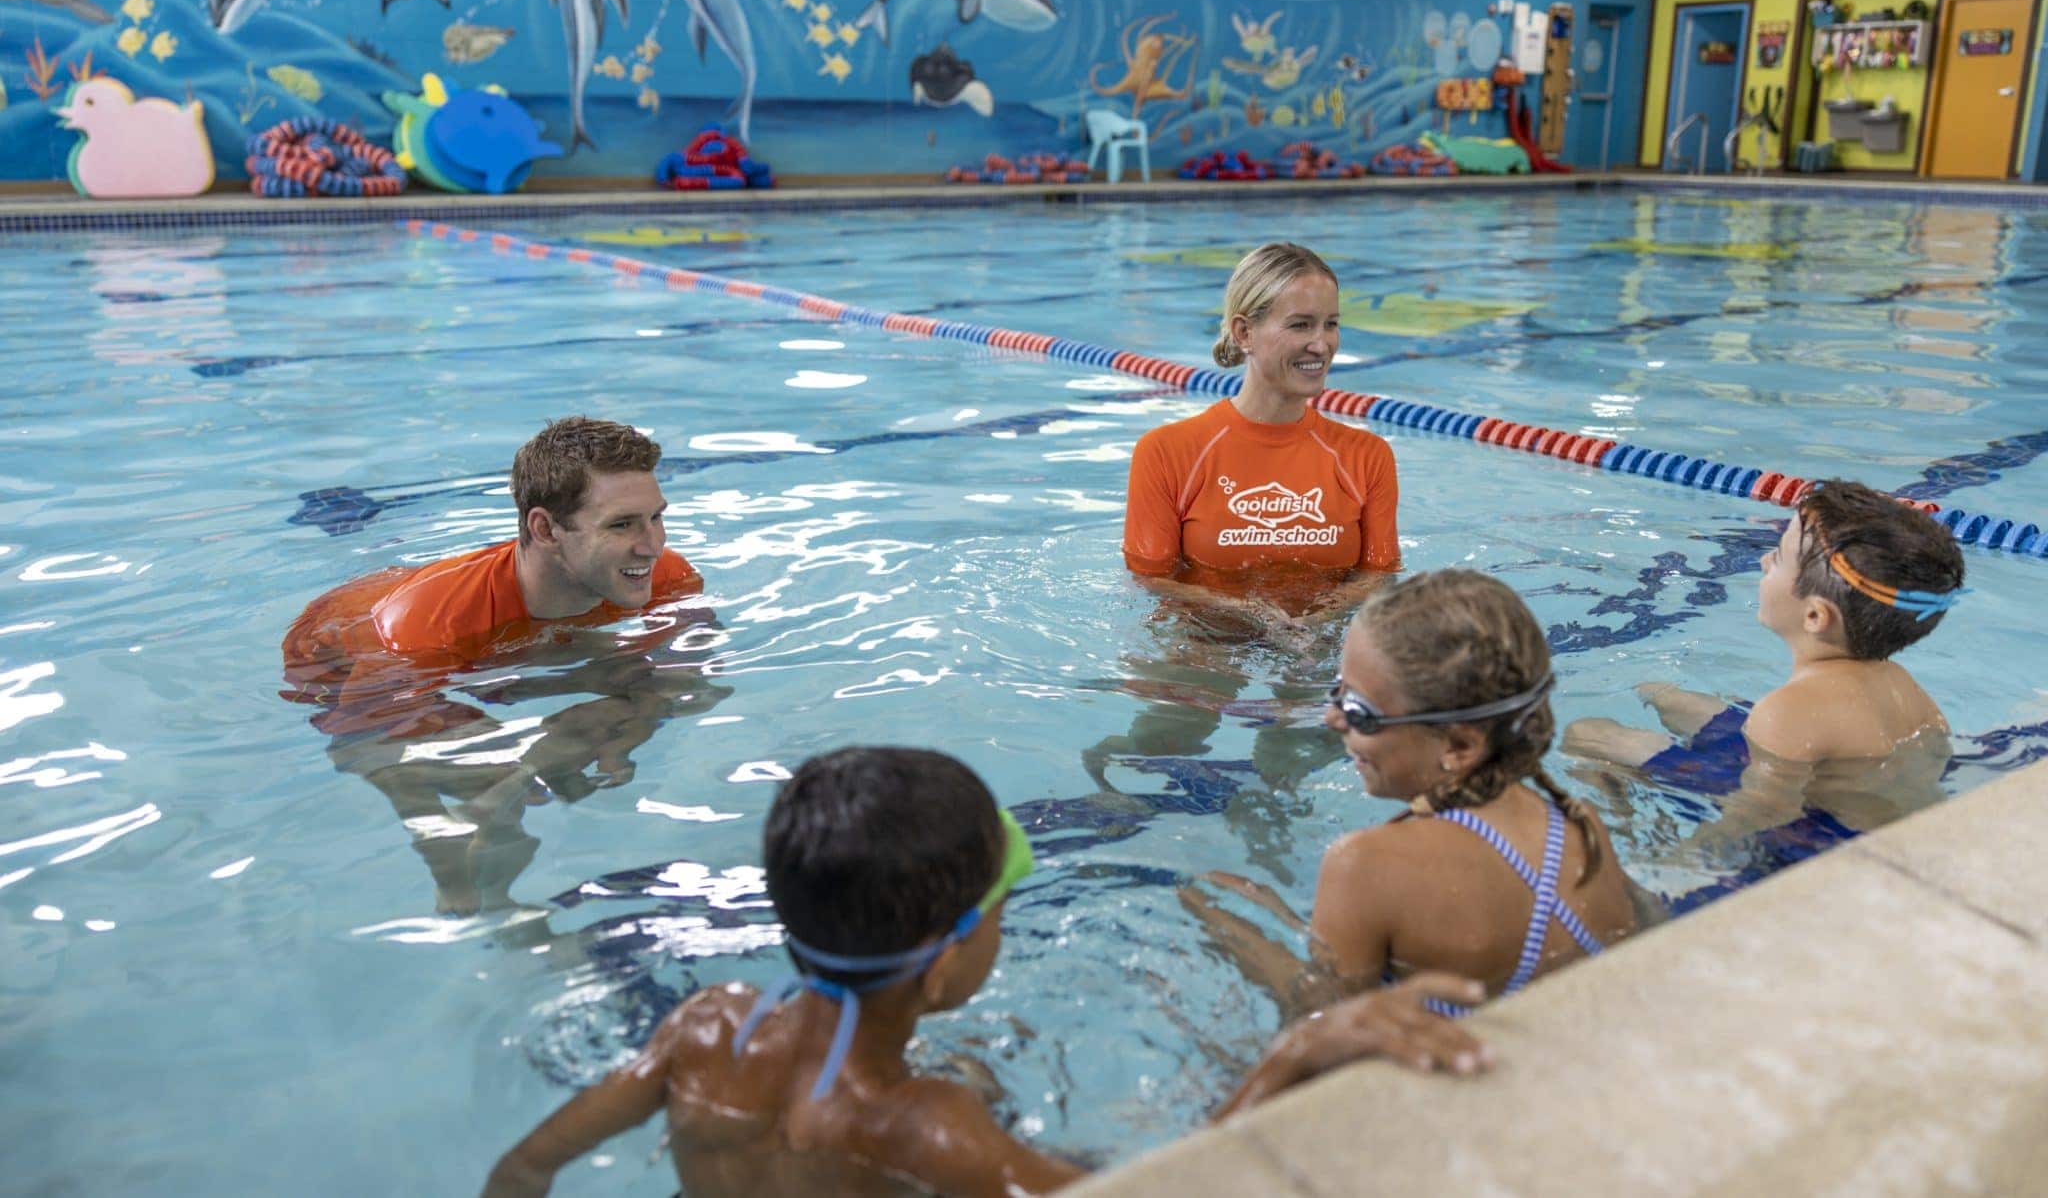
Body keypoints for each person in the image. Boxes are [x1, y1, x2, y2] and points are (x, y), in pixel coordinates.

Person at [482, 747, 1493, 1198]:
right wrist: (1293, 1055)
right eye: (1001, 914)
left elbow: (522, 1168)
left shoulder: (702, 1031)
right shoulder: (925, 1126)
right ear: (942, 962)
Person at [281, 416, 725, 913]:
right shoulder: (423, 629)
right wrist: (499, 789)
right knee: (499, 779)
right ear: (545, 528)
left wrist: (632, 725)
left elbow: (693, 680)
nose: (652, 544)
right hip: (340, 653)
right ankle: (469, 891)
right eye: (622, 524)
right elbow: (358, 739)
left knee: (626, 701)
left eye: (656, 517)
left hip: (501, 642)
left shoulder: (663, 576)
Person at [1182, 570, 1638, 1017]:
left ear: (1459, 746)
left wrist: (1225, 922)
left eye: (1360, 710)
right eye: (1336, 691)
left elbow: (1322, 1016)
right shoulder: (1579, 824)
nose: (1331, 719)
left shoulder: (1366, 864)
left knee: (1207, 899)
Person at [1092, 245, 1400, 873]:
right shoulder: (1170, 451)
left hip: (1317, 644)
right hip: (1205, 638)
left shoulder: (1366, 456)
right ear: (1244, 333)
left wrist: (1314, 622)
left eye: (1332, 323)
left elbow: (1378, 575)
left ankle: (1269, 848)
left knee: (1295, 766)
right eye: (1301, 324)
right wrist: (1253, 617)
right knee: (1152, 755)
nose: (1323, 344)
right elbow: (1150, 581)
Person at [1564, 480, 1966, 854]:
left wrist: (1679, 862)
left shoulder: (1785, 712)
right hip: (1838, 794)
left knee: (1586, 734)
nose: (1761, 561)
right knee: (1664, 696)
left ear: (1814, 617)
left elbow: (1757, 817)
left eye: (1778, 559)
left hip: (1814, 835)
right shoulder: (1899, 682)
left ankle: (1623, 826)